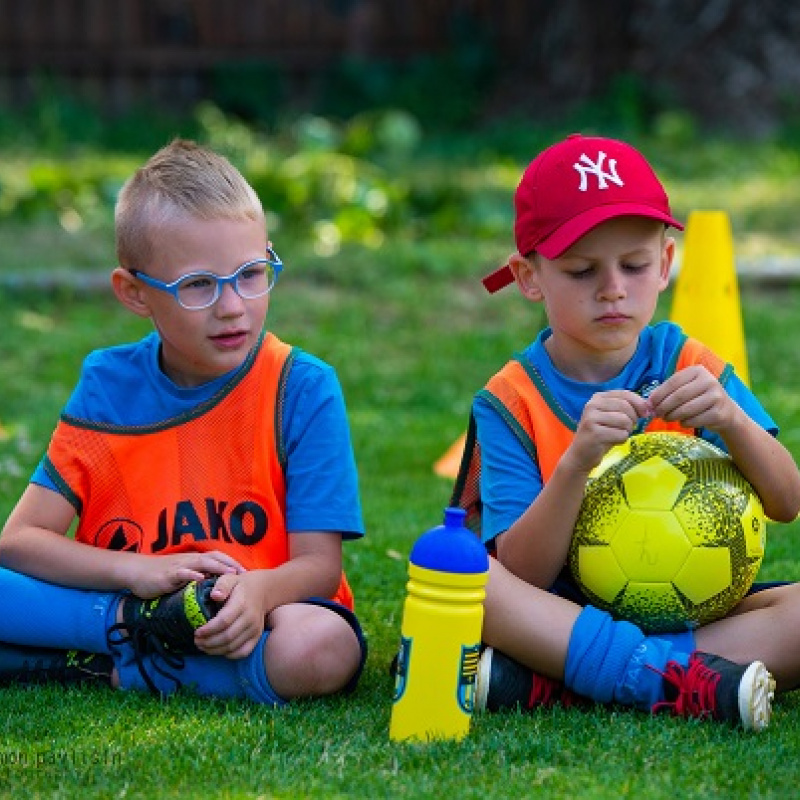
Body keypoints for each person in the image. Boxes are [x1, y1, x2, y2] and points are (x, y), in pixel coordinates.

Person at [451, 133, 800, 731]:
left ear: (665, 265)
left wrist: (733, 421)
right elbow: (525, 573)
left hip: (689, 611)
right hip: (556, 616)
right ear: (528, 277)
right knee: (471, 582)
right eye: (582, 270)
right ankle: (678, 681)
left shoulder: (690, 364)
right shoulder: (510, 400)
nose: (612, 287)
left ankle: (561, 686)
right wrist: (576, 462)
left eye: (634, 265)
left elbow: (787, 502)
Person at [0, 139, 366, 706]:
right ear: (135, 292)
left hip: (259, 621)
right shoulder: (107, 385)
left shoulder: (302, 386)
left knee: (324, 646)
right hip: (124, 600)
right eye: (198, 285)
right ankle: (126, 630)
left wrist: (258, 592)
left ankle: (106, 667)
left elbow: (319, 568)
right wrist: (136, 575)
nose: (232, 306)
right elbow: (20, 542)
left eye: (250, 273)